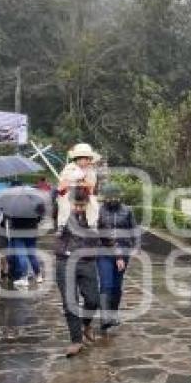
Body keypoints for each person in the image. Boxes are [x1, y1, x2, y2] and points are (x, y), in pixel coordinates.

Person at [55, 187, 101, 357]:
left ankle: (85, 324)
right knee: (70, 303)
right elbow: (53, 202)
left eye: (82, 205)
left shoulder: (94, 215)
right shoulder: (62, 212)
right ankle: (76, 341)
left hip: (87, 261)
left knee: (93, 299)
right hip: (65, 261)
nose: (79, 208)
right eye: (76, 205)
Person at [96, 183, 139, 332]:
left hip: (123, 251)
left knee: (116, 286)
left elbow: (134, 230)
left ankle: (113, 314)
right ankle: (104, 318)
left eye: (115, 196)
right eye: (109, 197)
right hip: (104, 251)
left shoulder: (127, 211)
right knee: (106, 284)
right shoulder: (99, 211)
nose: (112, 199)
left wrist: (135, 247)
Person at [56, 143, 100, 228]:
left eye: (88, 159)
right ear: (78, 158)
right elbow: (63, 183)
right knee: (64, 202)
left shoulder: (90, 170)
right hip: (69, 192)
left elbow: (92, 185)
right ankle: (62, 225)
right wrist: (76, 180)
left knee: (93, 202)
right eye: (84, 158)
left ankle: (93, 224)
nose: (87, 161)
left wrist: (83, 182)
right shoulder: (69, 168)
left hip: (85, 193)